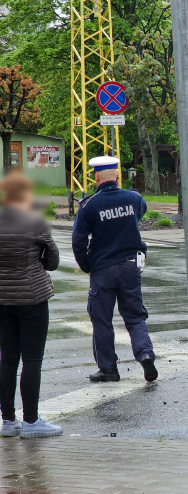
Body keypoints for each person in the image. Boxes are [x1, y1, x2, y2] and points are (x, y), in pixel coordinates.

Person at [72, 156, 158, 383]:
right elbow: (139, 214)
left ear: (96, 177)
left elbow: (78, 241)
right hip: (131, 267)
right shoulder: (134, 199)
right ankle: (145, 354)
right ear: (117, 177)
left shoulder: (90, 206)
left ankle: (108, 368)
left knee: (102, 320)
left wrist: (86, 266)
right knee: (135, 317)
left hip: (103, 270)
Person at [0, 173, 62, 438]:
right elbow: (53, 260)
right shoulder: (35, 222)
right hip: (32, 298)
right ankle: (32, 421)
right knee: (32, 360)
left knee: (8, 359)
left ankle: (7, 421)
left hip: (2, 301)